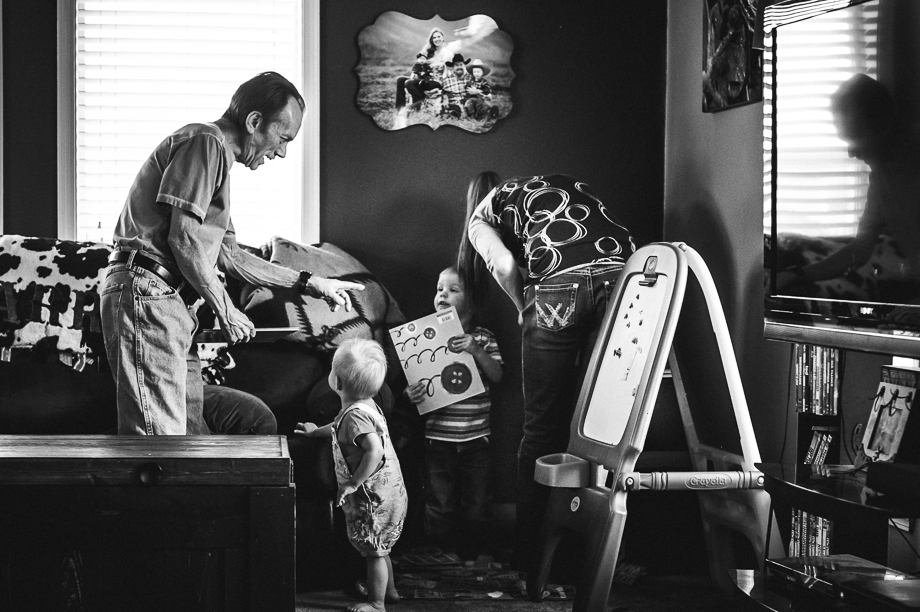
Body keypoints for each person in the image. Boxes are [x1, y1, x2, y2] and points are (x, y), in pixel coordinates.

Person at [101, 71, 365, 436]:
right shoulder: (206, 142)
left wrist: (310, 281)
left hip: (171, 303)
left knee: (193, 435)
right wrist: (227, 309)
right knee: (158, 441)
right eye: (282, 137)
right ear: (254, 121)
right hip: (148, 293)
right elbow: (184, 239)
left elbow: (232, 256)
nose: (282, 152)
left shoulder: (217, 164)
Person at [467, 174, 636, 572]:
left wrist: (522, 306)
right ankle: (595, 553)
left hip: (560, 282)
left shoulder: (480, 216)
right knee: (600, 424)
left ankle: (532, 555)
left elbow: (504, 262)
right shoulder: (561, 188)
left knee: (541, 425)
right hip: (627, 275)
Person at [776, 74, 920, 296]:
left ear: (884, 124)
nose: (851, 153)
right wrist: (798, 274)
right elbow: (860, 249)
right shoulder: (880, 176)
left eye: (855, 137)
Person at [294, 339, 408, 612]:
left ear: (336, 381)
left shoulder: (355, 417)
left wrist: (354, 482)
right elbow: (338, 426)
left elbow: (374, 450)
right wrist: (314, 432)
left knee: (374, 552)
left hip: (374, 498)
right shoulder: (365, 406)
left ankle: (376, 603)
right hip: (391, 493)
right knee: (381, 547)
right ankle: (389, 591)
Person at [404, 265, 503, 558]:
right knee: (440, 503)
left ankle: (475, 554)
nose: (442, 294)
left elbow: (497, 376)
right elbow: (413, 387)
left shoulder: (482, 337)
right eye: (439, 289)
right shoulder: (424, 338)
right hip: (438, 439)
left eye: (452, 289)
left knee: (477, 503)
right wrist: (411, 394)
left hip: (476, 439)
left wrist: (476, 350)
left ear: (471, 300)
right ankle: (439, 553)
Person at [441, 53, 472, 119]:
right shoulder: (446, 81)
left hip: (468, 107)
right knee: (454, 111)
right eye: (456, 65)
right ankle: (453, 115)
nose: (459, 67)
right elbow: (442, 94)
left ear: (464, 66)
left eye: (461, 64)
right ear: (453, 67)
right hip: (454, 107)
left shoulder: (470, 78)